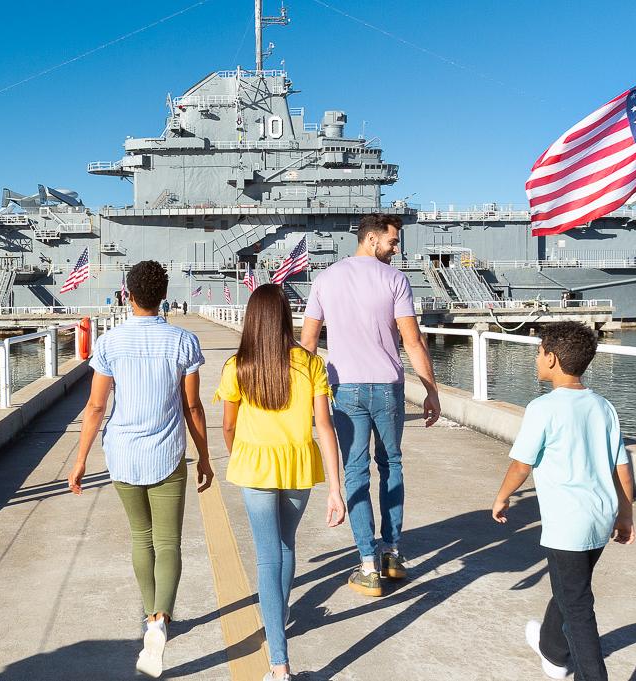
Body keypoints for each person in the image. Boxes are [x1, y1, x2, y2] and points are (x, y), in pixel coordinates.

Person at [66, 260, 210, 678]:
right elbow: (193, 407)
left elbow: (95, 407)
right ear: (164, 294)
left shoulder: (110, 343)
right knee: (168, 543)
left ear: (128, 295)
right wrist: (203, 456)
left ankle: (151, 617)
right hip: (167, 455)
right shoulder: (183, 341)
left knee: (140, 537)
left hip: (123, 456)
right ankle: (162, 619)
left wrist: (79, 462)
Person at [298, 213, 442, 598]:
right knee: (391, 464)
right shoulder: (395, 280)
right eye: (393, 242)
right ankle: (392, 554)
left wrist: (298, 395)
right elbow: (412, 341)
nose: (396, 250)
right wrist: (431, 390)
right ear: (372, 239)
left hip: (344, 388)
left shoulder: (325, 279)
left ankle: (367, 564)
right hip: (387, 387)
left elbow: (308, 343)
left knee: (356, 472)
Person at [488, 322, 636, 681]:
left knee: (579, 606)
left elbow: (521, 464)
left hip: (567, 524)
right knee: (572, 588)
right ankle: (553, 650)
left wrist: (502, 497)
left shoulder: (542, 407)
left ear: (552, 359)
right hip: (601, 517)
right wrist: (626, 514)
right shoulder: (603, 406)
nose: (536, 358)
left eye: (538, 352)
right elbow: (622, 467)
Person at [217, 283, 346, 681]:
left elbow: (228, 425)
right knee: (286, 546)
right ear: (286, 318)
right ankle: (280, 612)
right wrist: (336, 490)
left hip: (255, 466)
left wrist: (240, 450)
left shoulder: (238, 365)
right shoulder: (310, 364)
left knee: (266, 557)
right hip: (298, 467)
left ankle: (279, 664)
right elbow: (324, 427)